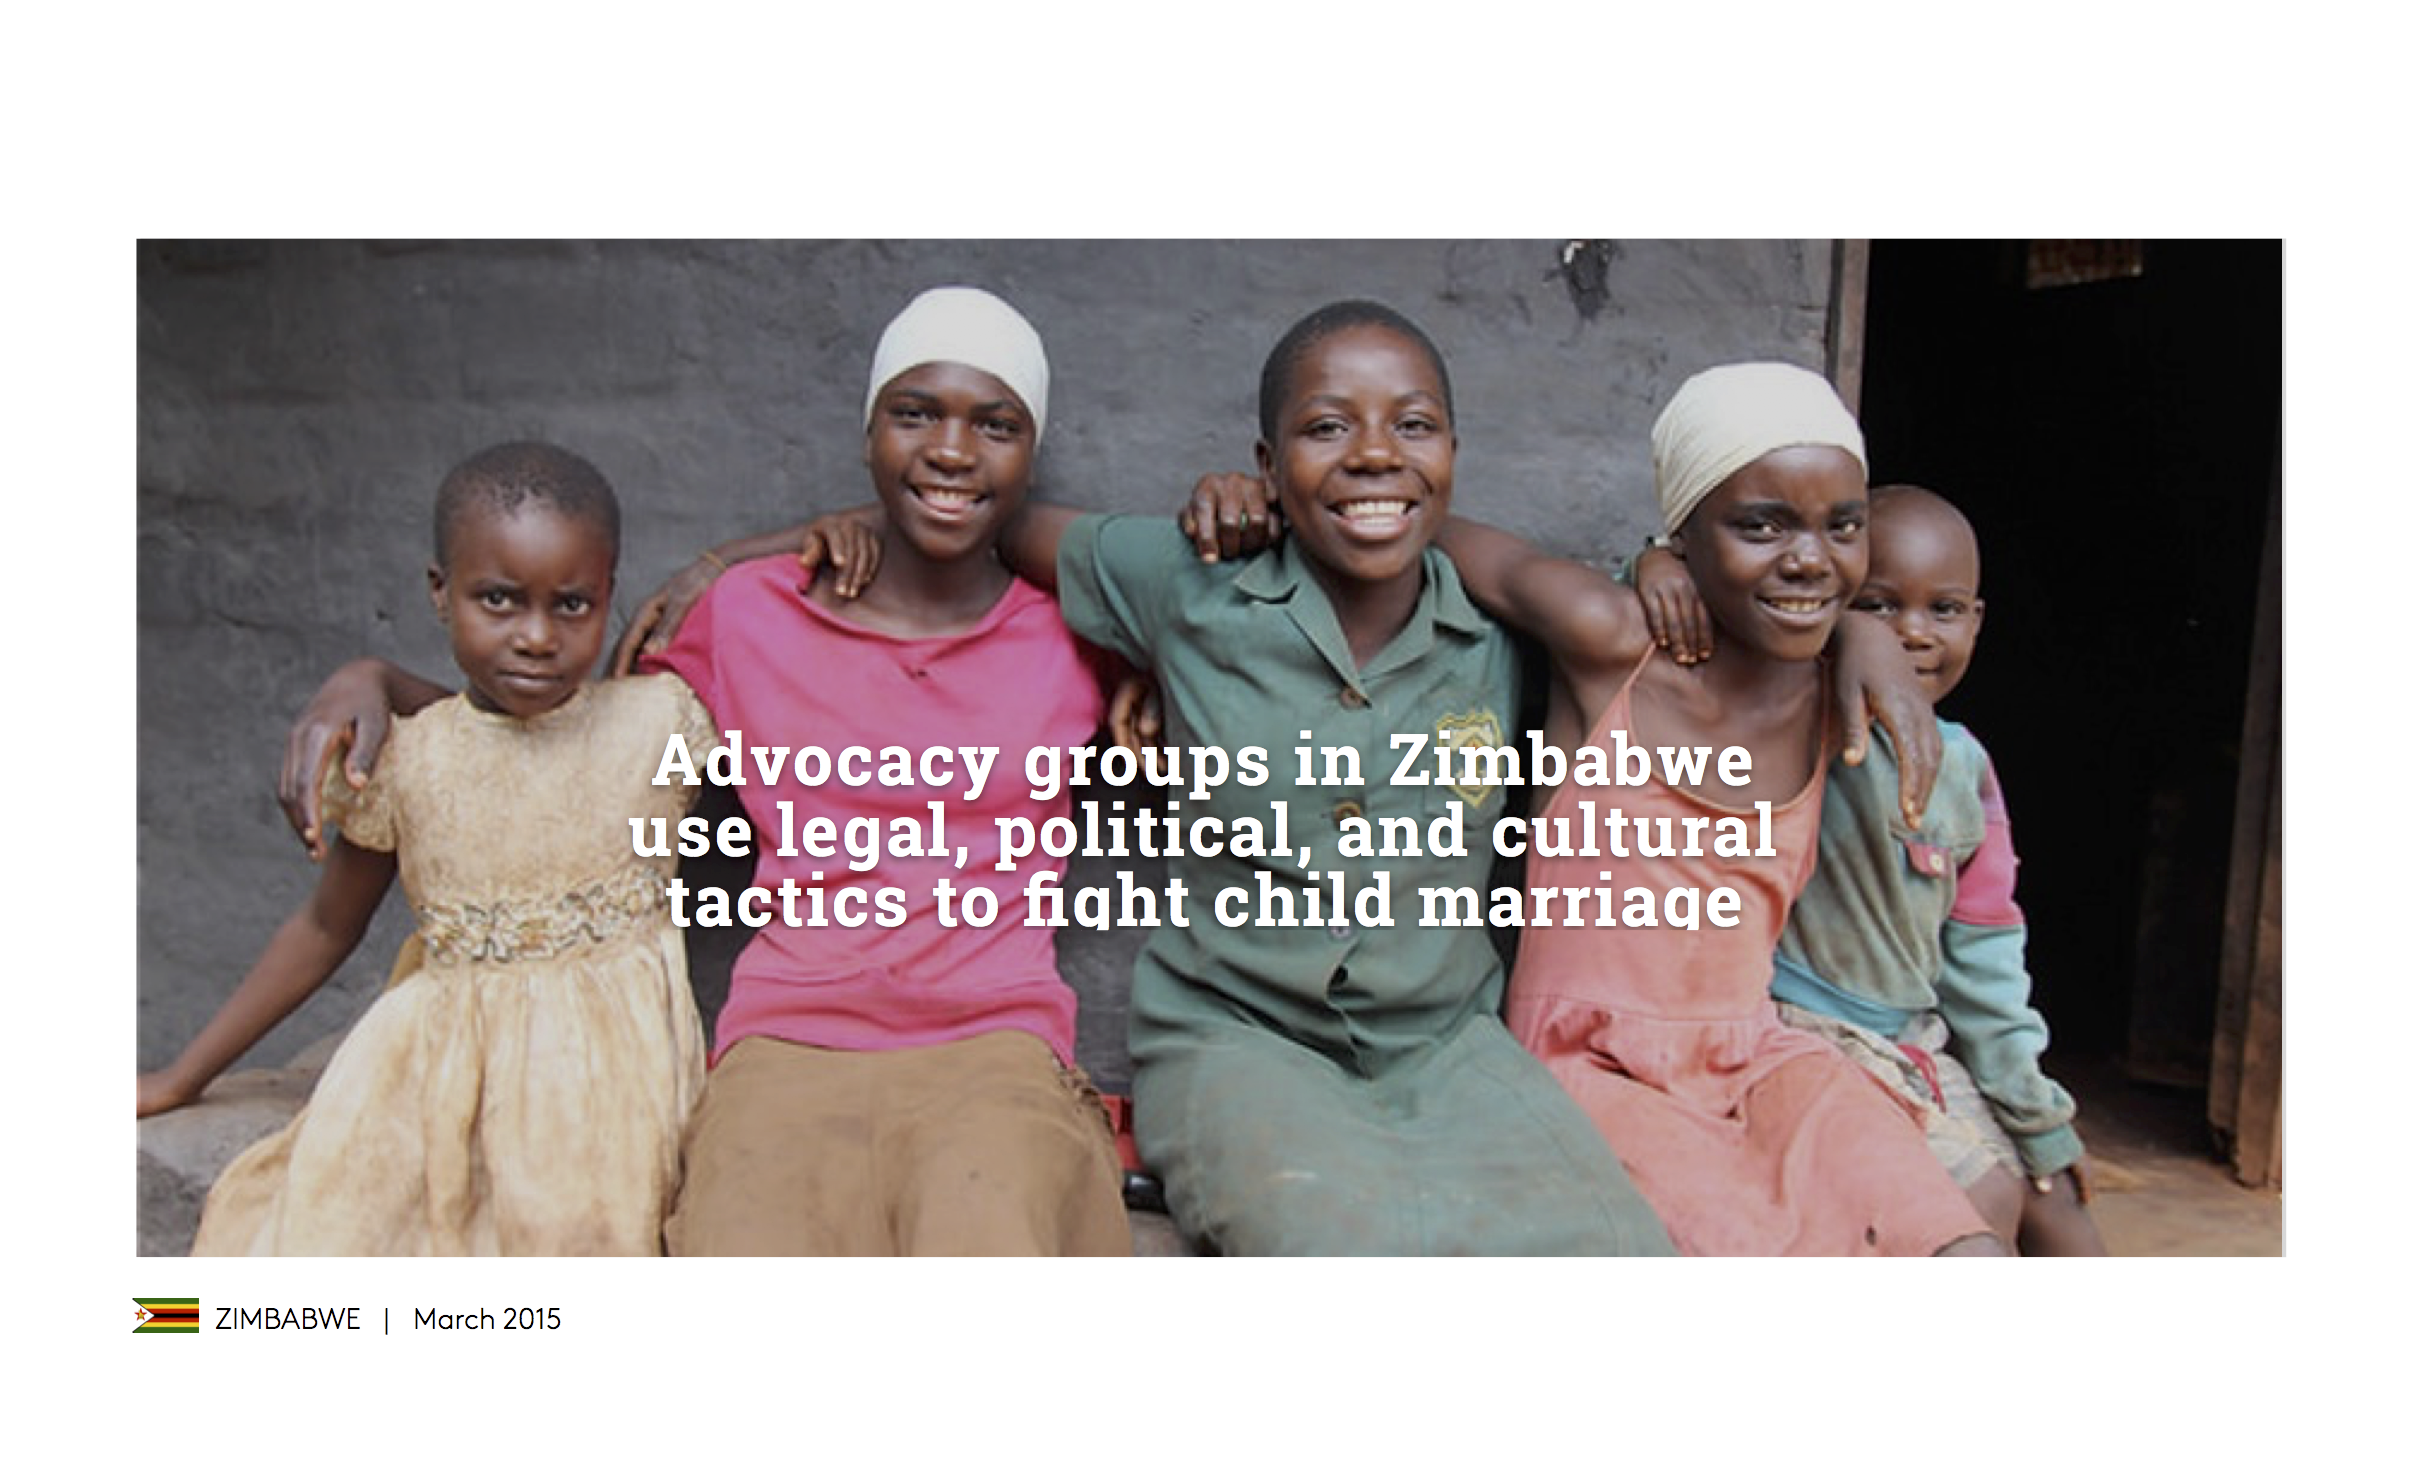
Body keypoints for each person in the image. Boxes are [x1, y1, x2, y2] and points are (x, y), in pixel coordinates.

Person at [278, 288, 1131, 1255]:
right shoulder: (749, 613)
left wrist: (825, 521)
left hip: (994, 1043)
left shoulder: (1076, 628)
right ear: (867, 433)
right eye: (913, 413)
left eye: (996, 426)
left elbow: (1182, 572)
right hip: (787, 1039)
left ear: (1029, 451)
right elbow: (558, 737)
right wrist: (376, 678)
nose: (949, 449)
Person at [1436, 362, 2003, 1255]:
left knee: (1953, 1242)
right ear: (1684, 534)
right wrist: (1648, 560)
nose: (1810, 557)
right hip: (1593, 1065)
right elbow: (1438, 533)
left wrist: (1861, 627)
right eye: (1759, 525)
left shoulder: (1831, 689)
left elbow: (1835, 595)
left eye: (1840, 527)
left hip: (1757, 1057)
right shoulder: (1611, 644)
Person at [143, 441, 717, 1254]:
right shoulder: (405, 759)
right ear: (439, 594)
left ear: (608, 594)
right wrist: (181, 1075)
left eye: (572, 605)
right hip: (432, 1087)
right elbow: (322, 929)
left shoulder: (658, 719)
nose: (536, 637)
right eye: (498, 600)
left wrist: (732, 554)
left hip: (607, 1098)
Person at [1632, 482, 2107, 1253]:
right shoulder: (1791, 719)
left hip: (1915, 1036)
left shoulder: (1966, 768)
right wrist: (1653, 561)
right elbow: (1701, 620)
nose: (1913, 635)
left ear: (1976, 621)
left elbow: (1984, 958)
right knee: (1976, 1203)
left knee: (2052, 1198)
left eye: (1943, 610)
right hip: (1800, 1029)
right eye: (1881, 607)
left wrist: (2036, 1113)